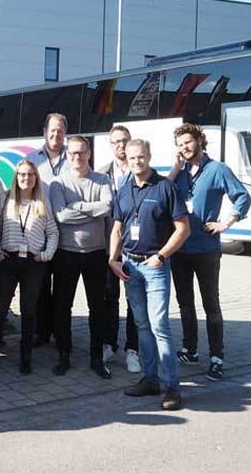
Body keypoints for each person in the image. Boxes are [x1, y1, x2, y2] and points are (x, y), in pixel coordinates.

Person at [109, 139, 190, 411]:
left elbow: (183, 229)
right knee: (142, 325)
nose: (136, 161)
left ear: (149, 156)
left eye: (141, 156)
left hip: (155, 267)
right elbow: (117, 228)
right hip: (130, 268)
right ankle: (151, 379)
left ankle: (172, 387)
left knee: (159, 326)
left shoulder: (165, 188)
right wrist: (112, 259)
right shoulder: (124, 189)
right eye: (131, 157)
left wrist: (162, 256)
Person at [167, 123, 251, 381]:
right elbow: (162, 193)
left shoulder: (218, 169)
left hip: (206, 249)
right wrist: (175, 168)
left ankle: (216, 357)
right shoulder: (179, 172)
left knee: (210, 304)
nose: (185, 147)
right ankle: (190, 349)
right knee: (184, 303)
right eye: (180, 145)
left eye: (188, 142)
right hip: (179, 249)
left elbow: (243, 197)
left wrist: (226, 222)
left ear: (200, 141)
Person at [49, 135, 113, 379]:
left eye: (82, 152)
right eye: (73, 152)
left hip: (96, 253)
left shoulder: (102, 180)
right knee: (62, 306)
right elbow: (61, 216)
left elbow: (107, 207)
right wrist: (92, 210)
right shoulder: (58, 183)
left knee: (98, 307)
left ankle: (96, 357)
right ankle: (64, 354)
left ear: (89, 153)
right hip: (67, 253)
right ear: (67, 155)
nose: (77, 156)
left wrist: (76, 206)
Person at [0, 159, 58, 373]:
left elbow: (53, 232)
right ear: (16, 177)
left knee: (28, 310)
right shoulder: (5, 199)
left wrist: (46, 254)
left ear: (36, 178)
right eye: (22, 174)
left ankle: (26, 358)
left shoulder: (42, 202)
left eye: (31, 174)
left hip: (33, 263)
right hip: (8, 260)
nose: (26, 178)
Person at [97, 125, 141, 373]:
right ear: (110, 145)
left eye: (124, 140)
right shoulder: (101, 174)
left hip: (135, 249)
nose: (120, 145)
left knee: (134, 301)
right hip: (108, 248)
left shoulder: (141, 172)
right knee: (108, 298)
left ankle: (132, 349)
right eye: (115, 141)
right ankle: (109, 344)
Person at [25, 112, 69, 347]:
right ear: (44, 132)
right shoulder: (32, 159)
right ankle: (41, 332)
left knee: (62, 288)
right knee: (39, 287)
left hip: (67, 234)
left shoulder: (74, 158)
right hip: (39, 234)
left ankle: (60, 333)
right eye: (52, 130)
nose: (56, 134)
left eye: (60, 131)